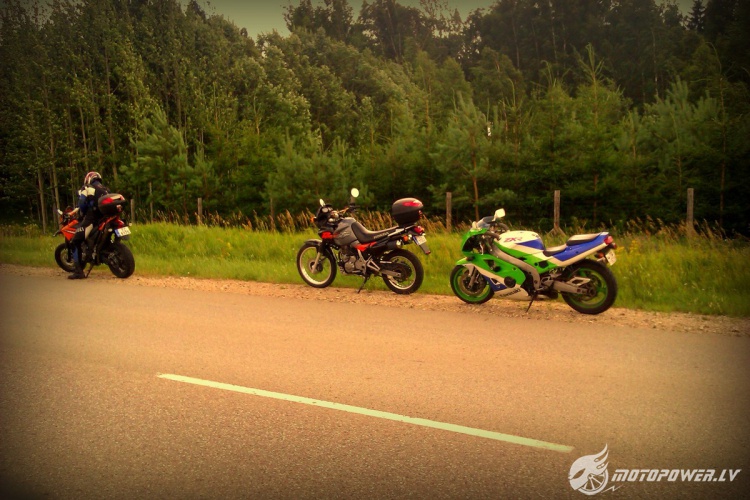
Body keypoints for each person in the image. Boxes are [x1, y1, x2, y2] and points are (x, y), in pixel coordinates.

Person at [68, 171, 110, 279]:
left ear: (88, 179)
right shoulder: (105, 189)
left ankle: (78, 272)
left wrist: (82, 213)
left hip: (92, 219)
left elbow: (82, 203)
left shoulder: (87, 187)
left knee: (75, 241)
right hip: (104, 219)